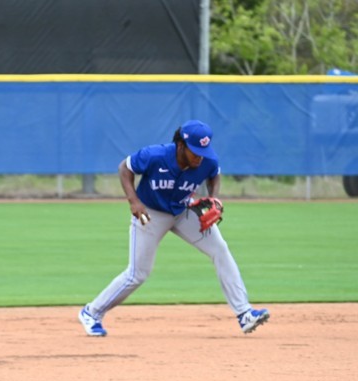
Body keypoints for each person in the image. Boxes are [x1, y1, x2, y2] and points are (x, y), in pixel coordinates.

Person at [78, 120, 269, 337]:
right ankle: (91, 312)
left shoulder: (207, 160)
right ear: (180, 146)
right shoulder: (154, 156)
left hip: (183, 211)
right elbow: (125, 167)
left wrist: (213, 197)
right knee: (137, 274)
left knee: (220, 249)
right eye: (195, 151)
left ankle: (244, 313)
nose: (200, 156)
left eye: (203, 151)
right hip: (150, 214)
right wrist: (133, 200)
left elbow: (214, 174)